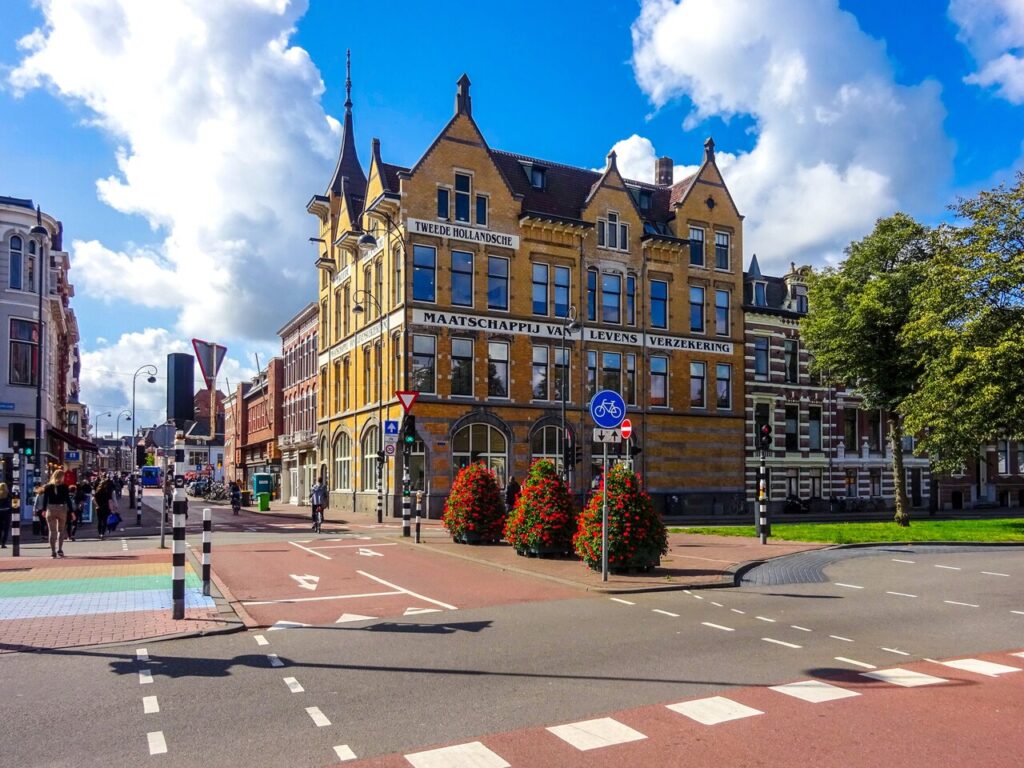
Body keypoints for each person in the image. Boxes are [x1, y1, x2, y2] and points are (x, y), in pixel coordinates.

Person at [41, 470, 74, 558]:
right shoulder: (64, 486)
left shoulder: (48, 487)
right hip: (62, 508)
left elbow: (45, 499)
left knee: (52, 531)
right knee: (61, 530)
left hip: (50, 508)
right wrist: (72, 511)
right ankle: (60, 549)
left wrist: (43, 510)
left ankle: (53, 551)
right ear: (61, 477)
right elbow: (68, 500)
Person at [0, 482, 12, 549]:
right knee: (6, 529)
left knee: (0, 528)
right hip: (7, 513)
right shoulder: (8, 494)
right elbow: (13, 501)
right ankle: (3, 543)